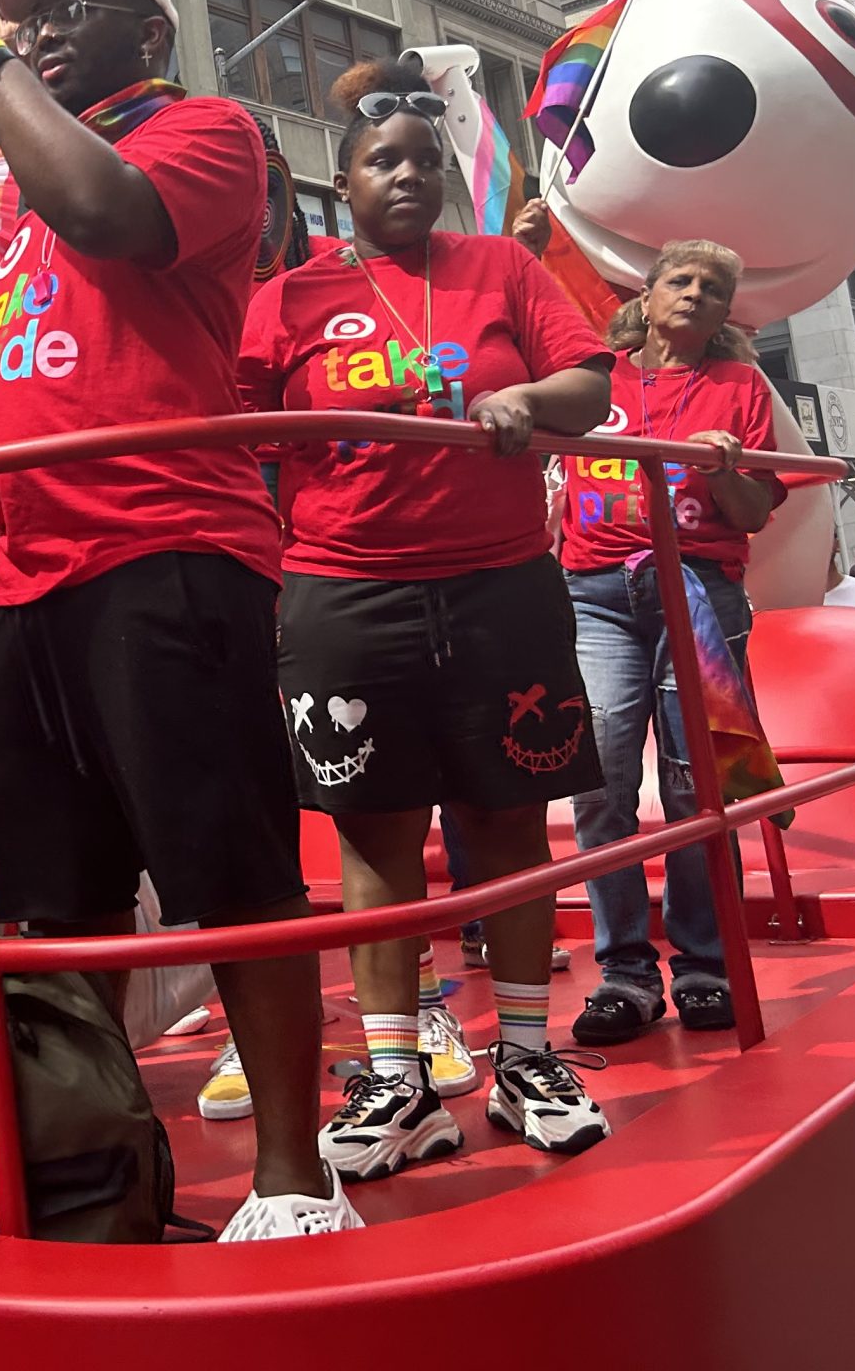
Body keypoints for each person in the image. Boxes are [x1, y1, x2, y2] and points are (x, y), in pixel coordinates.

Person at [0, 0, 342, 1241]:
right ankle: (101, 1160)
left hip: (165, 550)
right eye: (33, 14)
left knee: (235, 877)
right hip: (31, 579)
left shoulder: (204, 132)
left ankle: (294, 1178)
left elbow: (109, 215)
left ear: (152, 32)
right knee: (53, 898)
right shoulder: (32, 193)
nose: (45, 29)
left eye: (79, 9)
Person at [241, 59, 615, 1182]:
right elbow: (240, 430)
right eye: (381, 161)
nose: (407, 175)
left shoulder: (502, 266)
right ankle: (397, 1079)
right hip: (345, 593)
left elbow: (590, 387)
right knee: (375, 837)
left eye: (423, 159)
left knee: (508, 823)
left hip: (501, 588)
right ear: (341, 183)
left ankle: (528, 1058)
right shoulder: (290, 295)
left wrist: (523, 398)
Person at [556, 241, 786, 1046]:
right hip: (595, 596)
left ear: (724, 315)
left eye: (712, 289)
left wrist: (722, 471)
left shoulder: (741, 386)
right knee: (599, 781)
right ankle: (624, 973)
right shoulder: (593, 378)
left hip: (699, 593)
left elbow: (754, 511)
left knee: (697, 786)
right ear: (646, 296)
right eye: (680, 281)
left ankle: (704, 968)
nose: (694, 294)